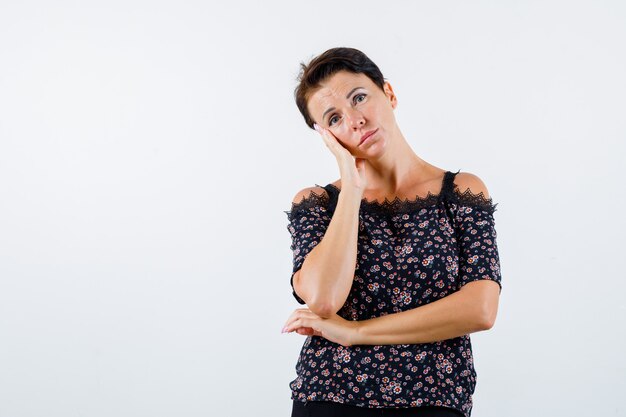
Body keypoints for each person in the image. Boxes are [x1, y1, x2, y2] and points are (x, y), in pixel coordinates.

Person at [281, 47, 502, 417]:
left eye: (360, 98)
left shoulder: (462, 191)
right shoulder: (318, 203)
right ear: (327, 137)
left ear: (390, 93)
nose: (354, 120)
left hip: (434, 399)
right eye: (334, 118)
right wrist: (351, 187)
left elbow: (480, 309)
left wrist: (355, 332)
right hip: (330, 398)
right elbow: (322, 299)